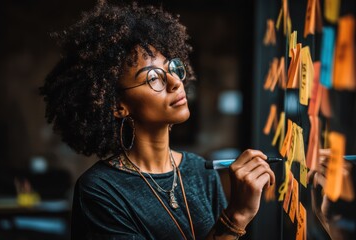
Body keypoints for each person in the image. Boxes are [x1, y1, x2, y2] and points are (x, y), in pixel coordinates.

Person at [40, 1, 275, 239]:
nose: (175, 82)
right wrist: (236, 217)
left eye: (172, 68)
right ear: (117, 105)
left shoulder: (201, 171)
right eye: (153, 77)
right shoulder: (100, 190)